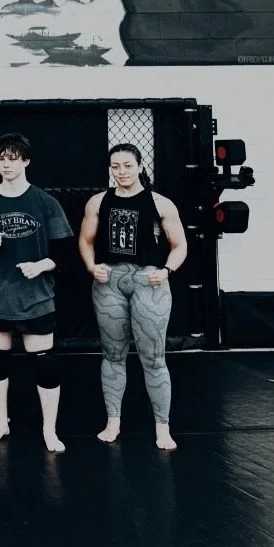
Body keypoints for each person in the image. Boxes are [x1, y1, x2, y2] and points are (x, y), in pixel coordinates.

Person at [0, 132, 74, 452]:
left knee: (45, 363)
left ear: (25, 161)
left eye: (12, 158)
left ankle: (49, 430)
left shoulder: (44, 202)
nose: (6, 165)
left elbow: (65, 252)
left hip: (35, 296)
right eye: (1, 158)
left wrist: (43, 265)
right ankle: (1, 421)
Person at [79, 143, 188, 451]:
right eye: (115, 166)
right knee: (112, 355)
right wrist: (91, 266)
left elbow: (179, 245)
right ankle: (113, 421)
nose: (121, 171)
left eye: (127, 165)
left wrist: (166, 270)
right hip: (109, 281)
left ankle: (162, 427)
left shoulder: (161, 203)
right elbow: (85, 240)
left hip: (148, 281)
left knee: (153, 358)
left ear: (140, 167)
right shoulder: (98, 201)